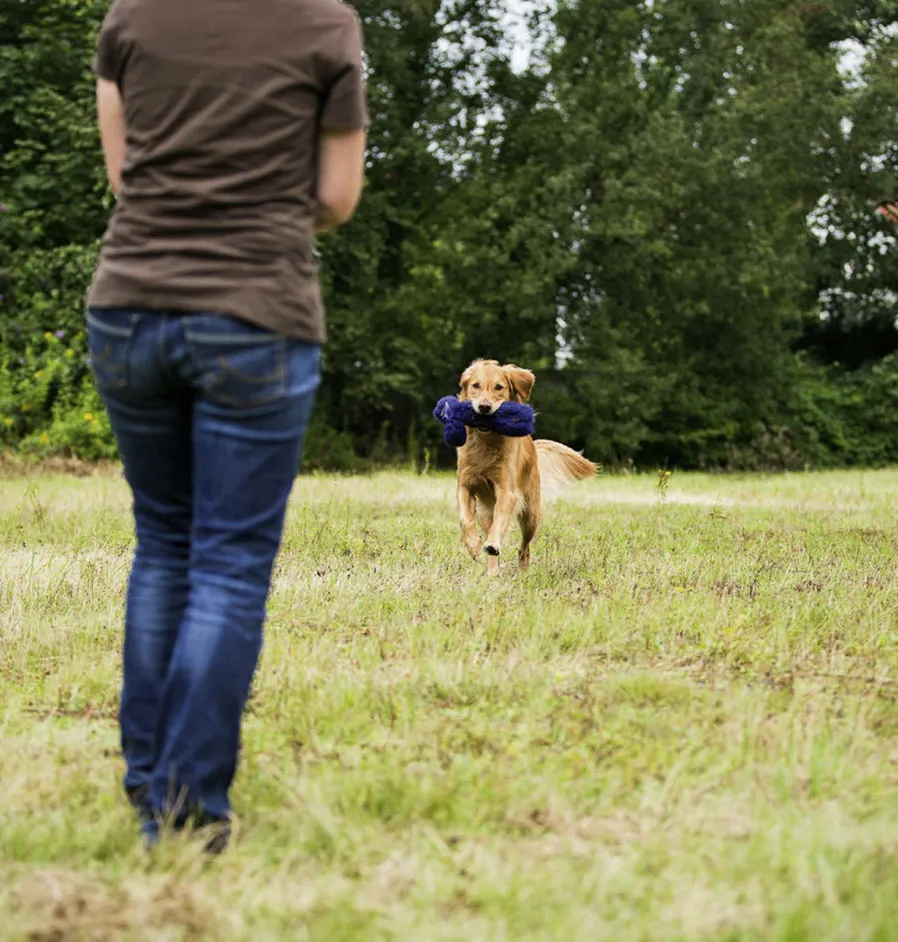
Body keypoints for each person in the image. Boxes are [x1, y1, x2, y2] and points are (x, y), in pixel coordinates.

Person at [88, 0, 368, 853]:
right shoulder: (324, 24)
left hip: (129, 309)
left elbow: (124, 179)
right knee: (229, 565)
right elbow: (337, 196)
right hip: (256, 313)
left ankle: (151, 783)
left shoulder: (130, 16)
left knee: (163, 543)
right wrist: (261, 216)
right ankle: (184, 809)